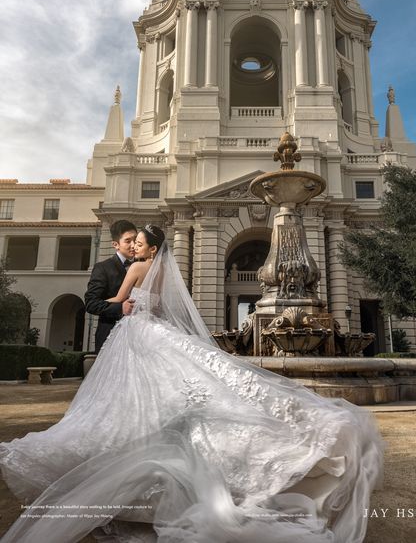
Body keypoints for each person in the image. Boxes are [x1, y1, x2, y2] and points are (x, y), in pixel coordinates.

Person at [0, 226, 384, 543]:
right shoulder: (167, 270)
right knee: (188, 382)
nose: (133, 246)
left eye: (138, 242)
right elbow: (166, 310)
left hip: (135, 333)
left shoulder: (136, 269)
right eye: (129, 242)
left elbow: (120, 302)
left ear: (149, 247)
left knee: (130, 398)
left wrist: (126, 307)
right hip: (157, 332)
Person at [85, 219, 137, 353]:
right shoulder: (102, 268)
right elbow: (91, 304)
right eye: (127, 241)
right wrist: (121, 308)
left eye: (135, 240)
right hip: (110, 335)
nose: (133, 245)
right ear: (115, 244)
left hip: (139, 337)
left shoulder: (144, 265)